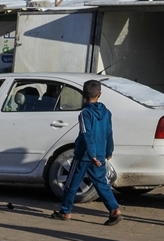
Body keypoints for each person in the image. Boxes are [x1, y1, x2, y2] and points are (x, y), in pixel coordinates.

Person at [51, 79, 122, 226]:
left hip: (84, 155)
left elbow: (86, 134)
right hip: (101, 153)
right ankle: (114, 209)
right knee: (101, 182)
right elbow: (109, 132)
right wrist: (109, 151)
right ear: (100, 94)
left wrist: (92, 154)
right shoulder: (107, 113)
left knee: (71, 182)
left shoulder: (85, 113)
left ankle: (65, 211)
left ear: (83, 94)